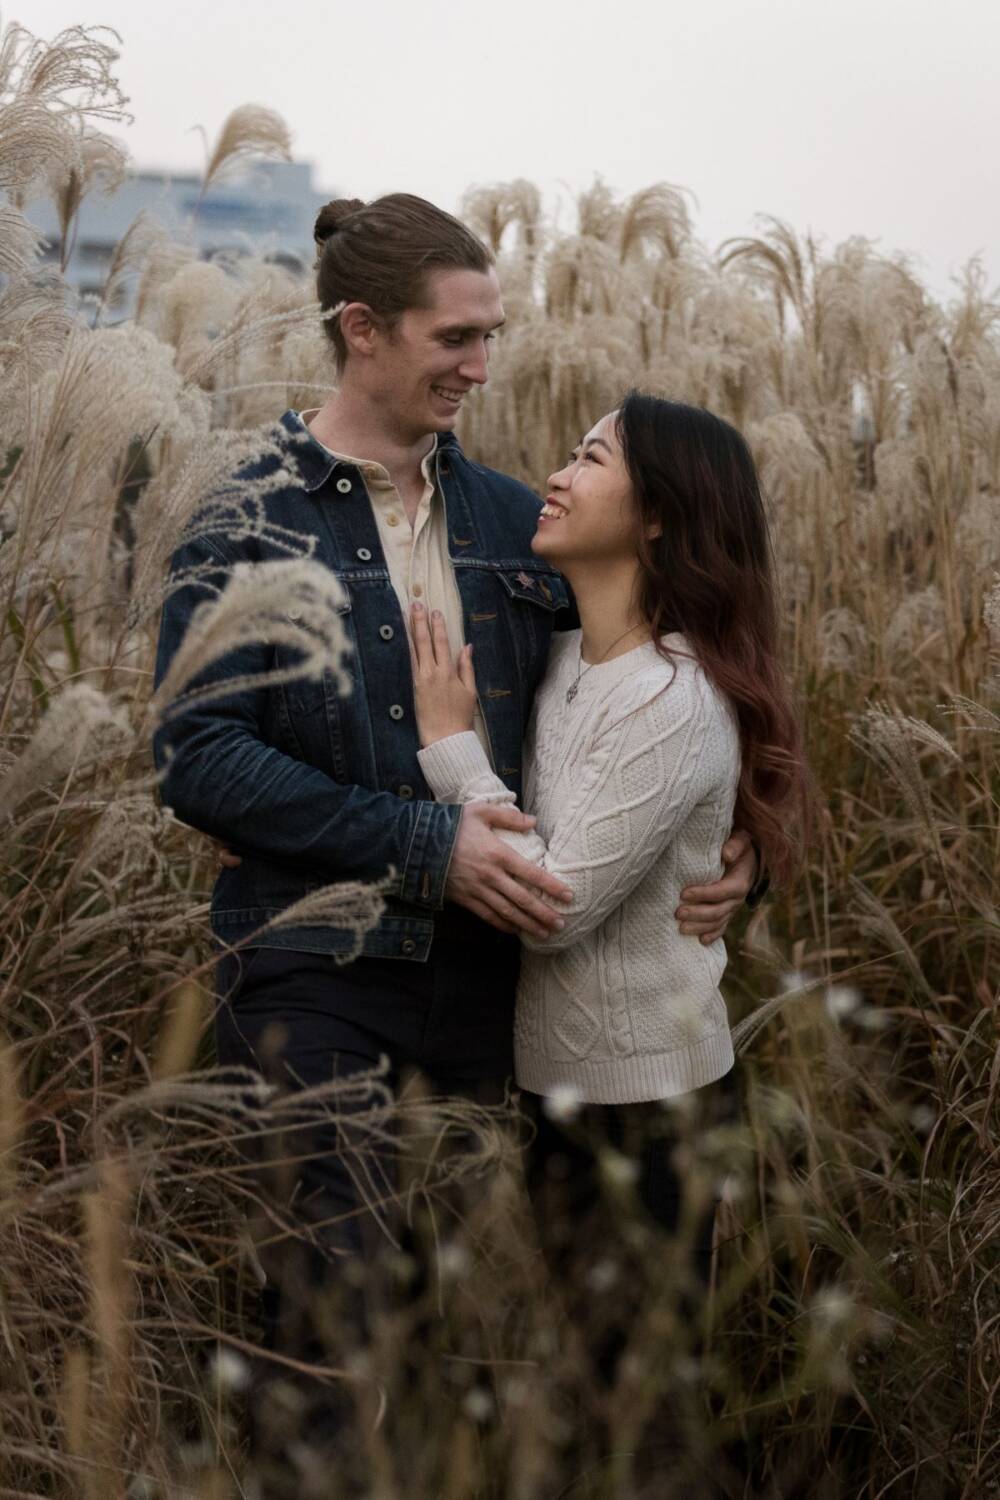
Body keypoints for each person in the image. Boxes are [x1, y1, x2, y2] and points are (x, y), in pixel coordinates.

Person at [152, 195, 760, 1484]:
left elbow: (654, 680)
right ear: (363, 329)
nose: (484, 369)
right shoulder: (244, 515)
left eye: (491, 335)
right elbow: (197, 756)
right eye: (457, 338)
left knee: (449, 1335)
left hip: (500, 990)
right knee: (329, 1309)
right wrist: (426, 843)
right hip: (315, 974)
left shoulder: (503, 516)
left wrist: (741, 834)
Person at [409, 391, 810, 1412]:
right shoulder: (559, 663)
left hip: (650, 1111)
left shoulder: (669, 696)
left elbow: (556, 902)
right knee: (589, 1397)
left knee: (638, 1410)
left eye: (591, 458)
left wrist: (454, 752)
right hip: (557, 1089)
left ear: (659, 516)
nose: (557, 473)